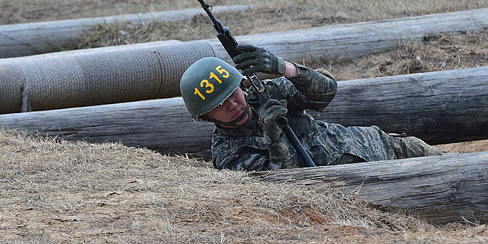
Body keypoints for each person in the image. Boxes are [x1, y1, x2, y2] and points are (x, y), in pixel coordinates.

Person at [179, 44, 443, 171]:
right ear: (205, 117)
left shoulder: (266, 93)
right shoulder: (229, 155)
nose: (232, 104)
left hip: (385, 146)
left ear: (241, 84)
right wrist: (274, 138)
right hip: (361, 182)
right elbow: (287, 182)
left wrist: (284, 68)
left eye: (232, 93)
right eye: (219, 105)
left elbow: (326, 92)